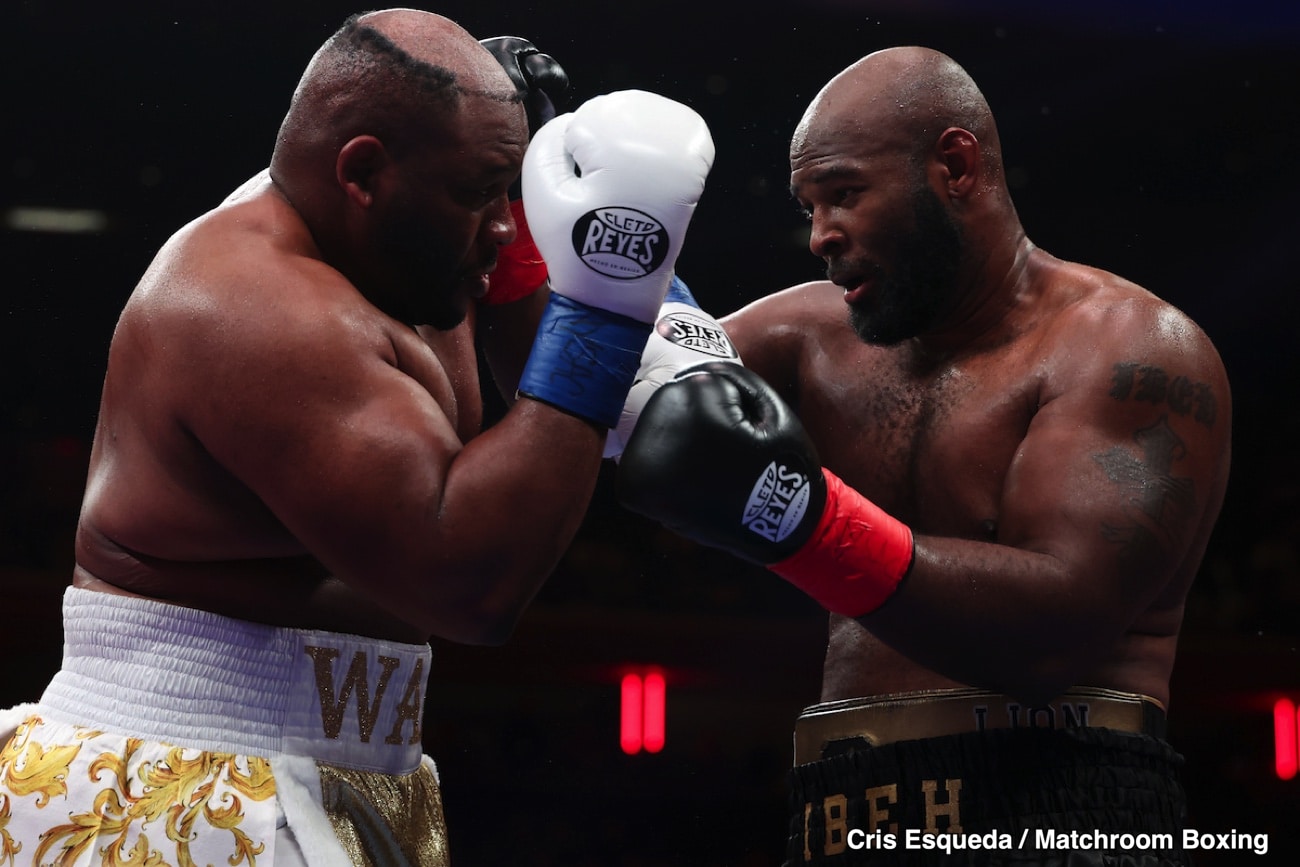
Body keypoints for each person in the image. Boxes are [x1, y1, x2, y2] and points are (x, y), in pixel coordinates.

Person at [0, 9, 713, 867]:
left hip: (349, 770)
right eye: (478, 193)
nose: (502, 225)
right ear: (364, 171)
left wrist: (568, 237)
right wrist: (607, 299)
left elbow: (575, 397)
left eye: (507, 191)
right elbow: (469, 581)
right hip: (181, 778)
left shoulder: (410, 258)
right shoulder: (255, 308)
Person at [618, 46, 1230, 865]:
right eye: (808, 206)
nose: (819, 236)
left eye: (842, 194)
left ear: (955, 165)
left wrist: (806, 523)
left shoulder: (1128, 349)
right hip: (842, 809)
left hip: (1063, 805)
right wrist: (545, 232)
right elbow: (598, 400)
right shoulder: (812, 335)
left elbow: (1054, 634)